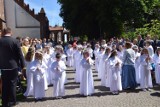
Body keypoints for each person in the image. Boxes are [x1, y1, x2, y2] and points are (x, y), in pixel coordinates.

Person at [0, 28, 25, 107]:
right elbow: (20, 55)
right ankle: (12, 101)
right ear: (10, 32)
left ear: (4, 32)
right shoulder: (15, 41)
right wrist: (23, 66)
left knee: (4, 84)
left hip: (3, 66)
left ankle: (4, 102)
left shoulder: (0, 40)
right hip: (13, 66)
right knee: (12, 84)